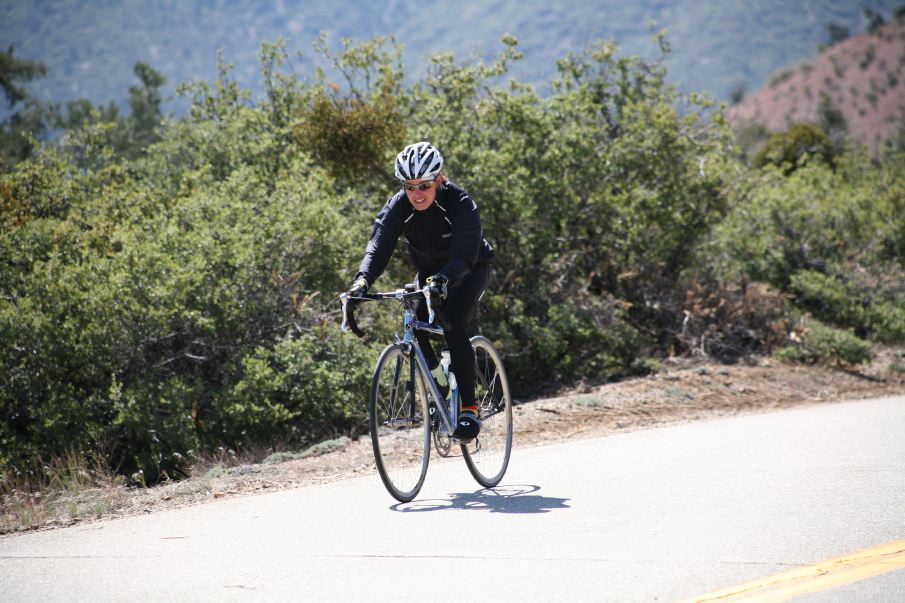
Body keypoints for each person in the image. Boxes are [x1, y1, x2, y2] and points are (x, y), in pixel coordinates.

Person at [347, 141, 494, 441]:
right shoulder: (400, 205)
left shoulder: (459, 202)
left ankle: (469, 409)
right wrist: (362, 281)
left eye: (424, 186)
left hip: (470, 268)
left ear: (439, 179)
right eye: (409, 187)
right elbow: (378, 246)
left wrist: (444, 279)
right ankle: (439, 386)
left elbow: (465, 255)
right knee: (417, 322)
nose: (416, 194)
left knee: (452, 320)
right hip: (429, 275)